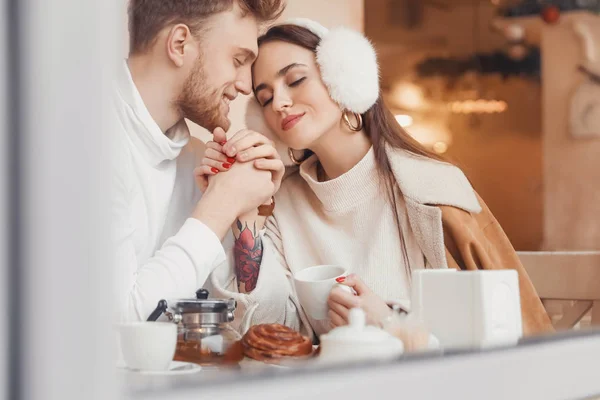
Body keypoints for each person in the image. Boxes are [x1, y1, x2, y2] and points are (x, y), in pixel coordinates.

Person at [201, 19, 553, 339]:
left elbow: (499, 333)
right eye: (264, 97)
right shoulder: (281, 202)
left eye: (295, 80)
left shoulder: (433, 190)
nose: (279, 102)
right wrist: (246, 214)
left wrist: (390, 324)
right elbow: (272, 331)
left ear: (343, 77)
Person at [111, 0, 286, 322]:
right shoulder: (81, 145)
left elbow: (257, 326)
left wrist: (245, 212)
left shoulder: (196, 160)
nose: (247, 85)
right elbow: (116, 329)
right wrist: (221, 204)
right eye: (237, 60)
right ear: (179, 44)